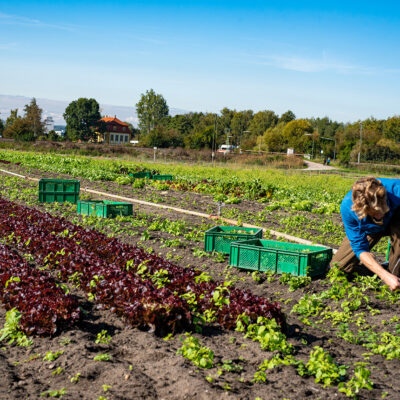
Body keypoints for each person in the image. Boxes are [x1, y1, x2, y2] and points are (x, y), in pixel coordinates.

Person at [330, 177, 400, 291]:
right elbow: (359, 247)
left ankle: (395, 274)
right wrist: (383, 275)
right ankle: (383, 270)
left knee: (396, 272)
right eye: (374, 213)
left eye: (381, 209)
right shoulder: (348, 208)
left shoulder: (397, 190)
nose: (379, 216)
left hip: (397, 219)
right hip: (370, 229)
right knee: (338, 267)